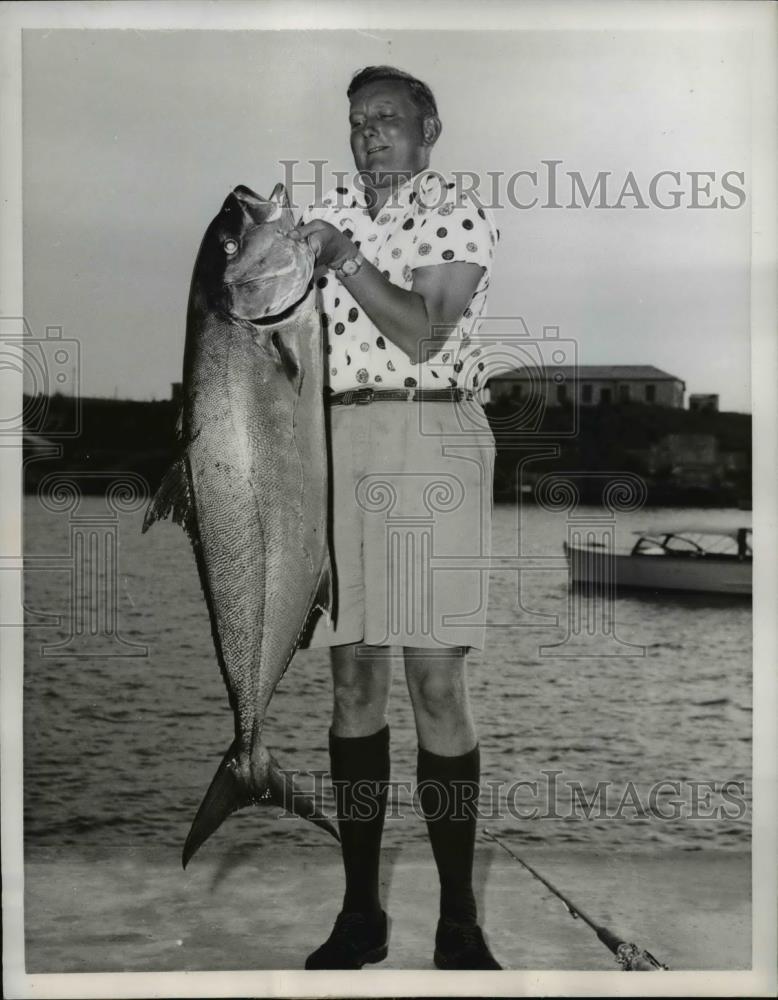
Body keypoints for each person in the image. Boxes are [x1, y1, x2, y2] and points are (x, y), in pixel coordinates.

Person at [290, 65, 501, 971]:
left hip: (431, 436)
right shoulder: (322, 215)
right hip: (335, 441)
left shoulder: (456, 210)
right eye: (356, 120)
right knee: (352, 685)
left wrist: (342, 256)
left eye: (387, 118)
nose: (368, 132)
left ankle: (458, 920)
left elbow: (423, 329)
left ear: (429, 128)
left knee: (435, 684)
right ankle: (360, 915)